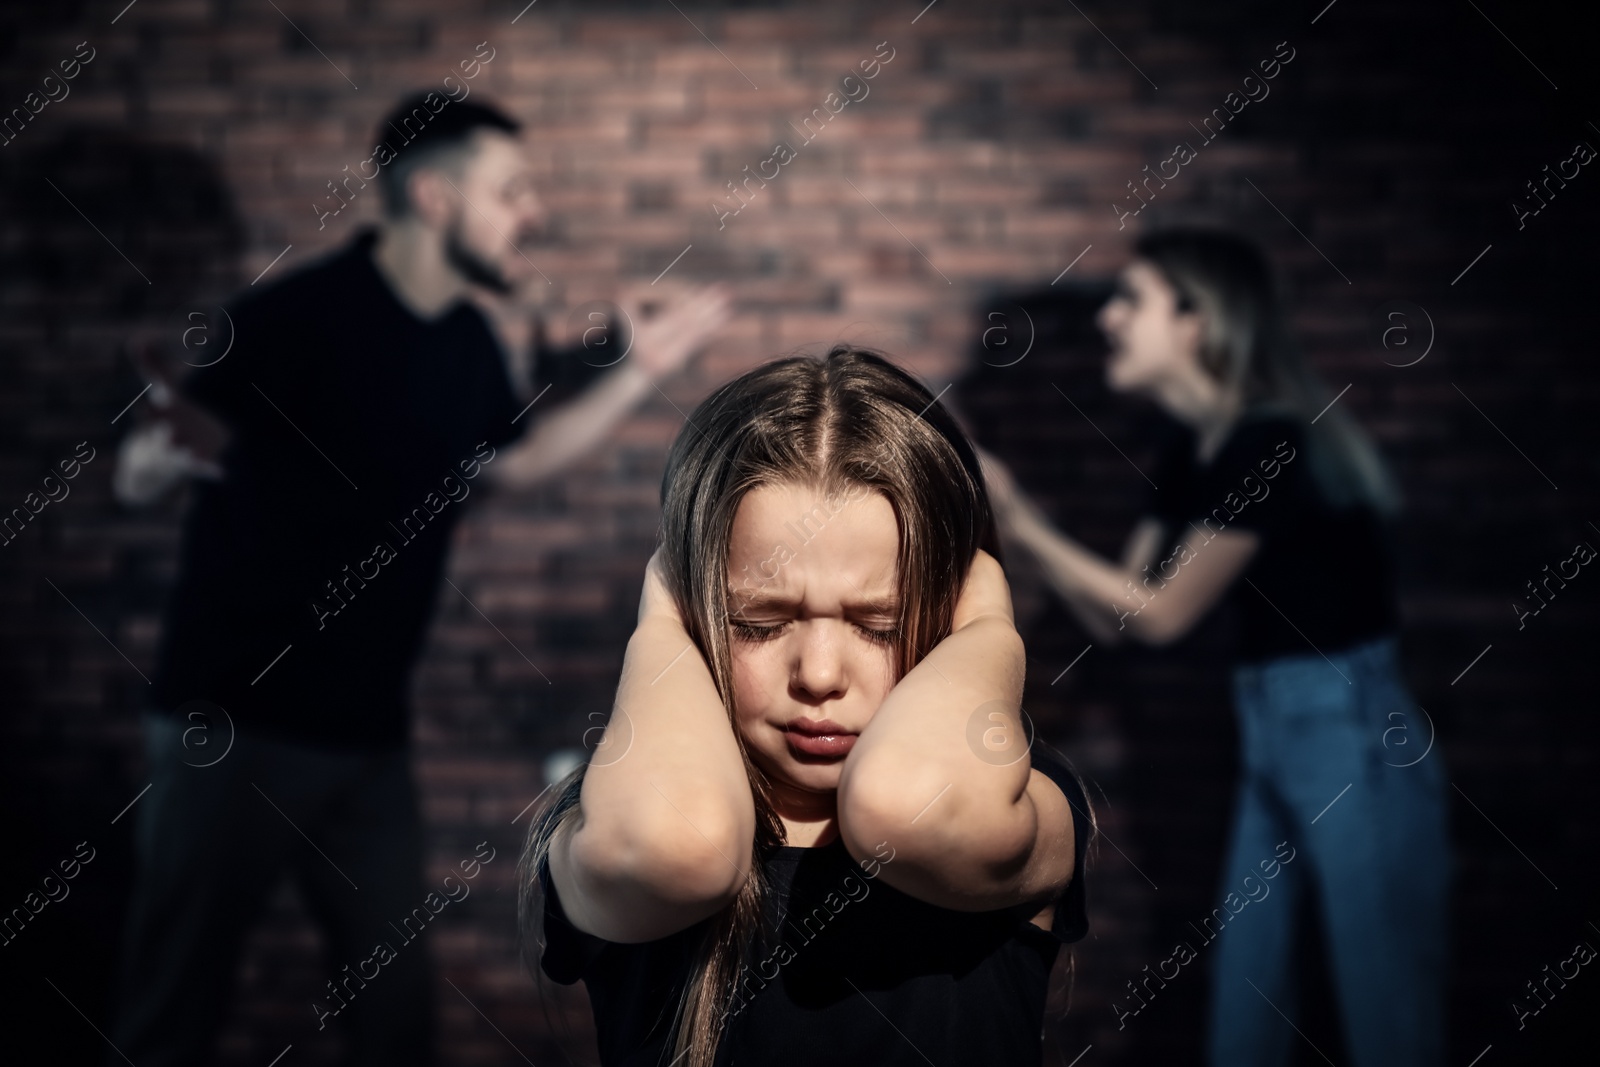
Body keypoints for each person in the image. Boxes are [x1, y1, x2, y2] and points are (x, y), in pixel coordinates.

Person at [104, 92, 731, 1066]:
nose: (531, 211)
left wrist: (636, 369)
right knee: (169, 1014)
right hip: (231, 728)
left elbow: (512, 465)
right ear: (434, 197)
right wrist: (148, 464)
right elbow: (148, 459)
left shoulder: (468, 344)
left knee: (397, 1024)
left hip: (366, 741)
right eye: (510, 190)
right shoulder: (295, 316)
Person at [517, 346, 1095, 1067]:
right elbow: (681, 845)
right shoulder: (615, 812)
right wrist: (664, 617)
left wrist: (985, 617)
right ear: (694, 604)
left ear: (954, 610)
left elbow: (907, 807)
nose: (819, 675)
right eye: (758, 622)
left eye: (879, 624)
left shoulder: (1020, 805)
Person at [979, 228, 1449, 1066]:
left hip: (1347, 723)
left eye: (1133, 300)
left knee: (1385, 1008)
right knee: (1248, 997)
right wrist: (1019, 533)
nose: (1110, 320)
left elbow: (1162, 615)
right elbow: (1114, 621)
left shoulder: (1267, 443)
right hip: (1269, 721)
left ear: (1196, 321)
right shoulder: (1190, 448)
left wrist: (1022, 521)